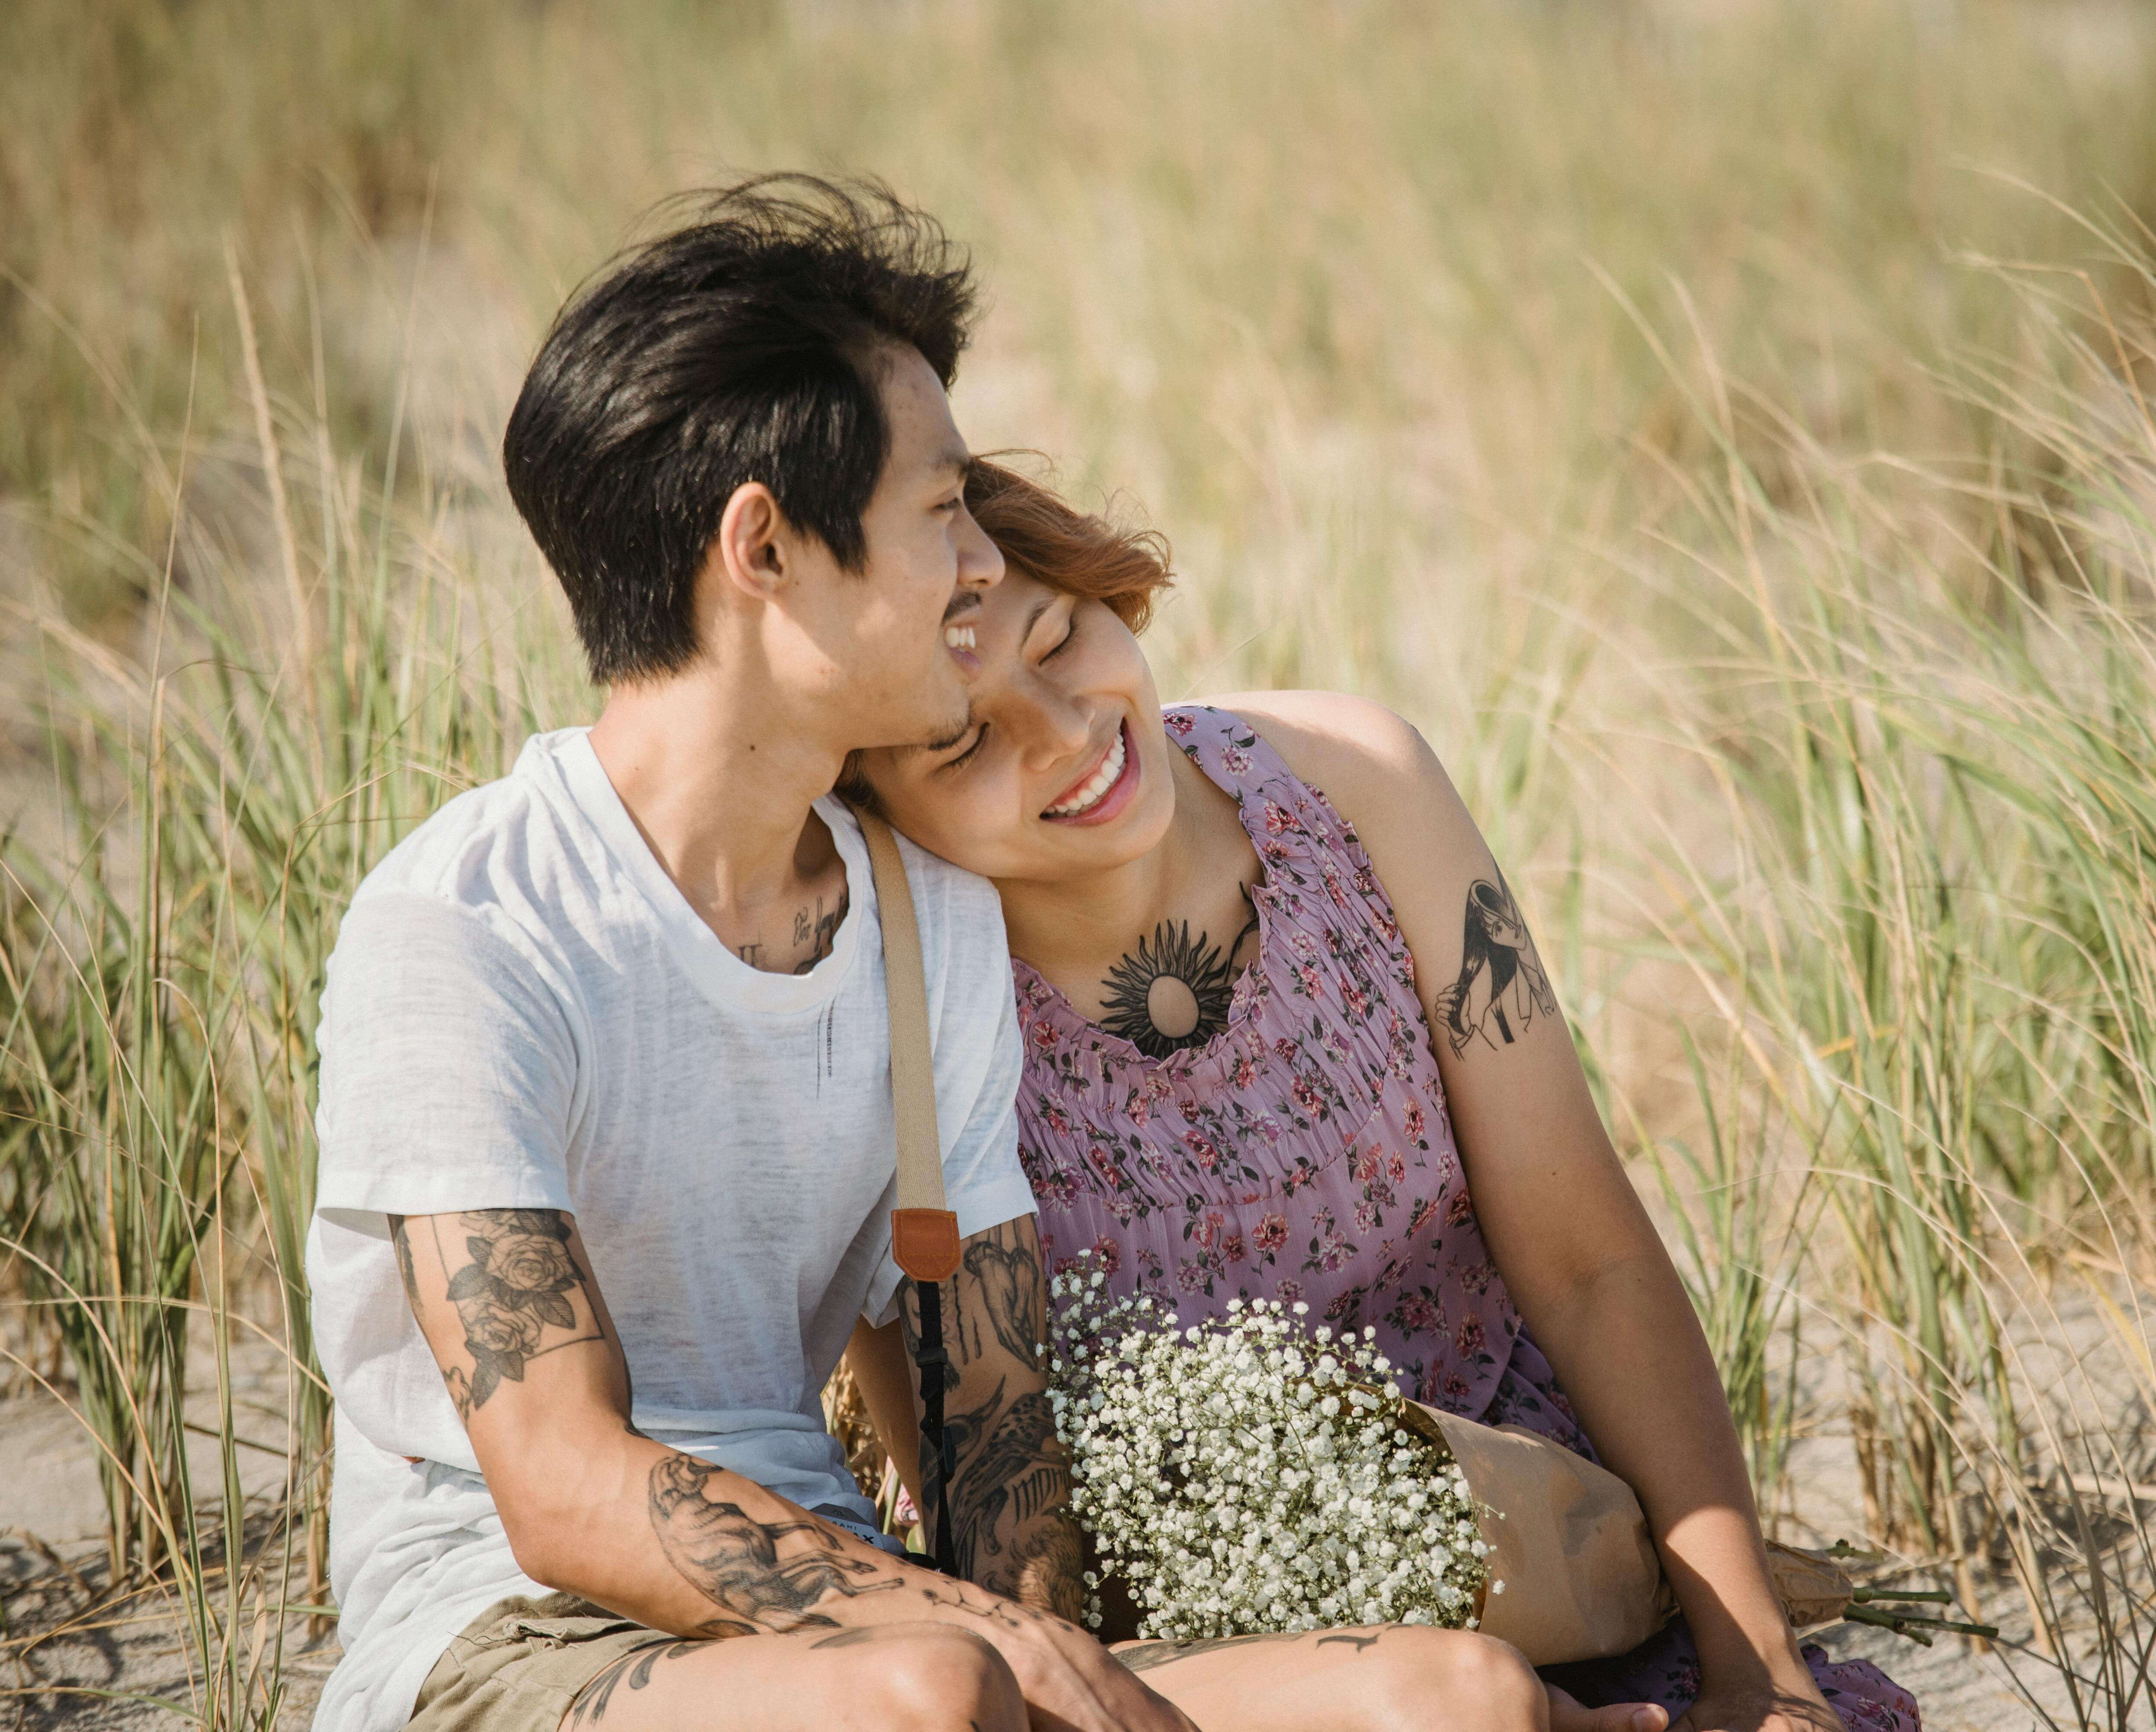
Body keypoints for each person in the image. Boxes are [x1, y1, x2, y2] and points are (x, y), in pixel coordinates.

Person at [311, 174, 1664, 1732]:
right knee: (929, 1697)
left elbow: (1000, 1471)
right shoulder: (469, 924)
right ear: (764, 550)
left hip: (883, 1624)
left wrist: (1053, 1664)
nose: (979, 564)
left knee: (1465, 1698)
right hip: (524, 1638)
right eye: (939, 507)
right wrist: (984, 1649)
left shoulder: (919, 916)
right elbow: (560, 1488)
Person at [842, 462, 1923, 1732]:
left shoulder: (1353, 782)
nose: (1066, 732)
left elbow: (1586, 1263)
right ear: (869, 802)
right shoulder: (894, 1001)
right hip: (1185, 1659)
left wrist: (1760, 1675)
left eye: (1060, 636)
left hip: (1553, 1549)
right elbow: (990, 1528)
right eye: (965, 739)